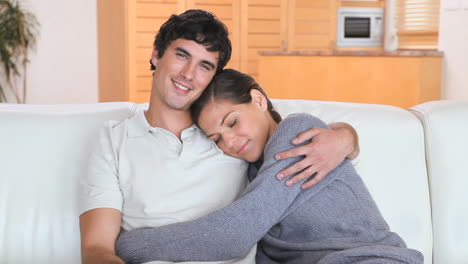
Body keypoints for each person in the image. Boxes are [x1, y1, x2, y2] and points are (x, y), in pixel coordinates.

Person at [79, 10, 359, 264]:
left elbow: (287, 130)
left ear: (212, 77)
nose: (189, 74)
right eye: (182, 55)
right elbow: (96, 249)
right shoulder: (113, 140)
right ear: (156, 55)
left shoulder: (240, 140)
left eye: (205, 66)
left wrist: (345, 137)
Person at [115, 69, 424, 264]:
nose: (231, 142)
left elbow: (235, 234)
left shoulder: (298, 131)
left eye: (233, 122)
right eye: (217, 138)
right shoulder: (253, 176)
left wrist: (127, 244)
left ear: (258, 100)